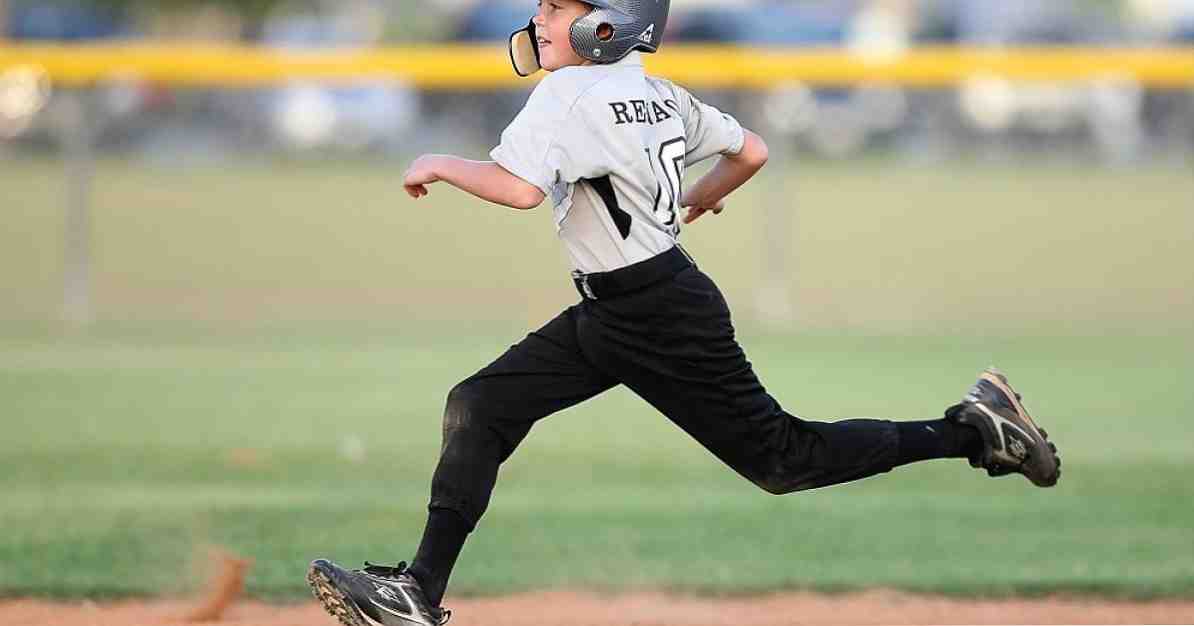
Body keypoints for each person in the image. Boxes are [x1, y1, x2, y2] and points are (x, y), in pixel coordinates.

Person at [306, 2, 1061, 625]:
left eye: (557, 7)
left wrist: (436, 162)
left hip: (658, 316)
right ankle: (417, 594)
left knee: (784, 459)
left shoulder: (570, 95)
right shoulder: (657, 91)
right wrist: (700, 196)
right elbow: (752, 149)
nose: (539, 19)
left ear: (611, 22)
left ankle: (975, 430)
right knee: (480, 405)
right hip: (623, 308)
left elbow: (518, 188)